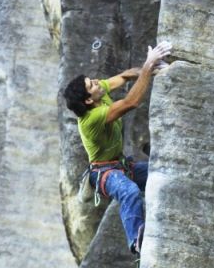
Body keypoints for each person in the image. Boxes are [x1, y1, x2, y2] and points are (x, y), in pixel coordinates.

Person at [63, 40, 172, 255]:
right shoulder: (91, 119)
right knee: (128, 191)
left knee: (159, 173)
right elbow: (130, 103)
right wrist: (149, 67)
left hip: (121, 166)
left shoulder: (96, 93)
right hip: (104, 173)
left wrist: (150, 68)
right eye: (91, 85)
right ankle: (136, 241)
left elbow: (124, 76)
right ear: (87, 101)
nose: (96, 82)